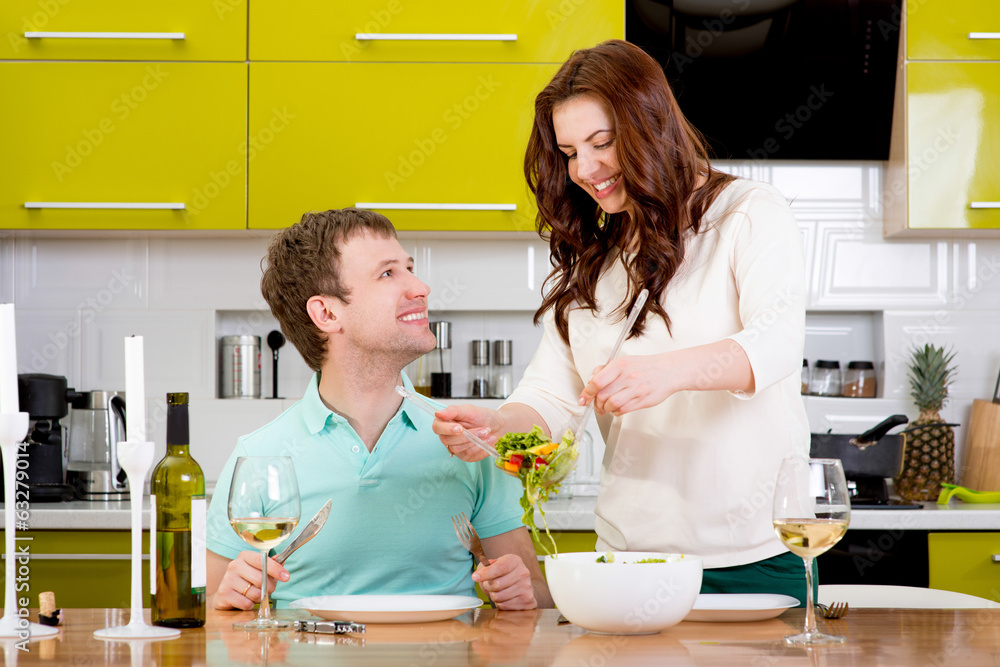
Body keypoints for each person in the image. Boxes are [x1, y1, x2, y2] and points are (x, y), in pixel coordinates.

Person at [432, 40, 812, 602]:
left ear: (650, 124)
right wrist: (494, 427)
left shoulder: (748, 214)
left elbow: (777, 341)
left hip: (756, 551)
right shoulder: (596, 260)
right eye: (568, 152)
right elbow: (551, 403)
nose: (584, 169)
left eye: (601, 143)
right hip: (631, 557)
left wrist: (665, 372)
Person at [206, 208, 552, 611]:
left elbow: (540, 604)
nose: (420, 286)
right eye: (388, 273)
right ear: (327, 313)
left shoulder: (467, 443)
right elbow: (208, 616)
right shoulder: (259, 456)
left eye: (409, 268)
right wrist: (224, 600)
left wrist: (519, 592)